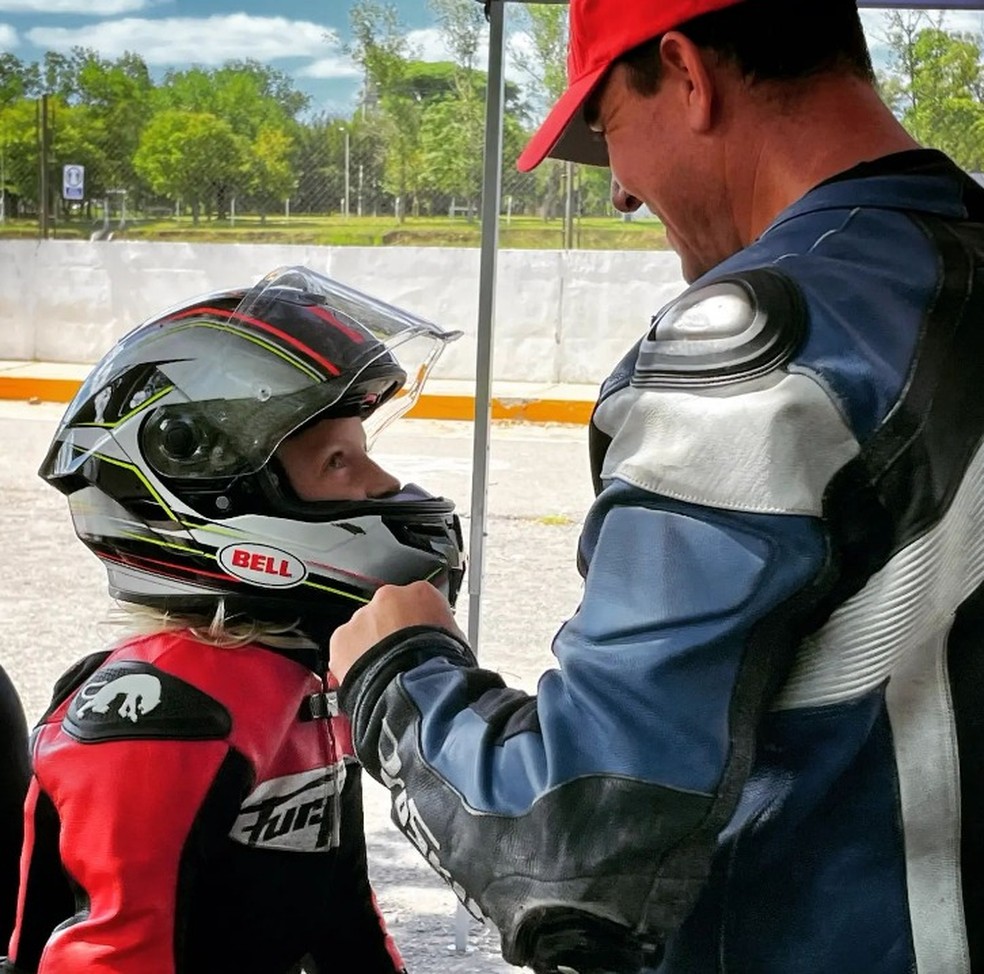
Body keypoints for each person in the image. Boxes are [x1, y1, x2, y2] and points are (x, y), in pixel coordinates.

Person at [327, 1, 984, 972]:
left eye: (606, 132)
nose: (622, 194)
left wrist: (401, 673)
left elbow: (572, 855)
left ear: (686, 72)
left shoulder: (764, 348)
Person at [0, 266, 464, 974]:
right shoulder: (159, 714)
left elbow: (340, 910)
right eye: (340, 462)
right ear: (219, 492)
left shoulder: (296, 673)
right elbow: (115, 955)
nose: (387, 488)